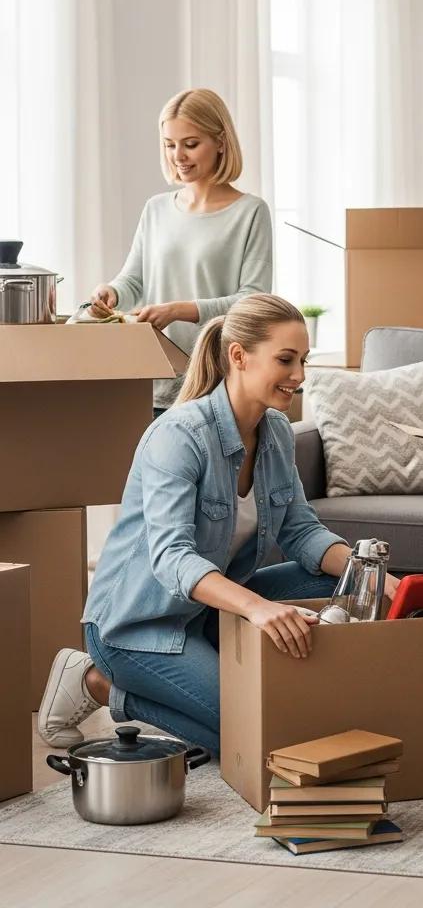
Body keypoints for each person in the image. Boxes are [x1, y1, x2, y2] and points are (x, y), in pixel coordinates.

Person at [37, 295, 359, 756]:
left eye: (303, 360)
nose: (300, 376)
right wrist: (257, 608)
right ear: (238, 356)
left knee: (340, 581)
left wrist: (367, 572)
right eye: (286, 360)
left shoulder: (277, 432)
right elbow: (171, 557)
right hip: (137, 627)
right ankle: (98, 683)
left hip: (206, 614)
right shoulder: (180, 435)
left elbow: (301, 530)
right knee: (262, 739)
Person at [86, 88, 274, 415]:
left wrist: (178, 310)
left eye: (190, 144)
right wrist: (111, 293)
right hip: (155, 379)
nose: (178, 156)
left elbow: (252, 300)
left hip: (219, 382)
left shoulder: (251, 212)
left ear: (221, 142)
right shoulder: (156, 209)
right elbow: (134, 280)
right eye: (169, 145)